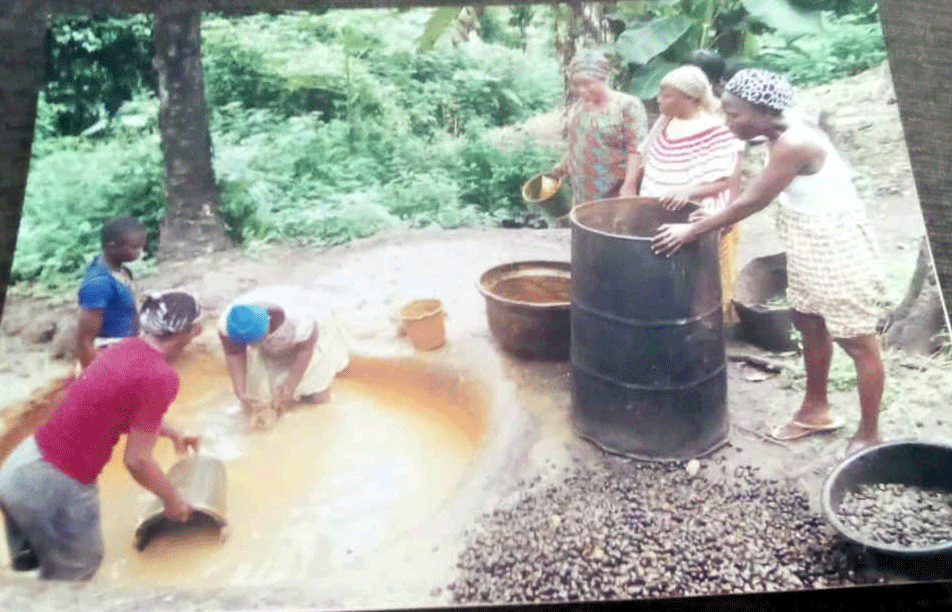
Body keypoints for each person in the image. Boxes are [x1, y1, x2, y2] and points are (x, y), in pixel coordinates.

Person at [651, 68, 886, 456]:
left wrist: (693, 230)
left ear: (764, 112)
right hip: (807, 240)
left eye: (735, 115)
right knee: (809, 322)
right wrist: (713, 217)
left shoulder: (795, 142)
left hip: (837, 245)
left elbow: (754, 200)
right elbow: (760, 192)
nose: (728, 123)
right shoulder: (779, 127)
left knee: (858, 342)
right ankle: (816, 411)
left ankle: (870, 435)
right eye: (726, 112)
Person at [0, 291, 203, 580]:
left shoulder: (125, 347)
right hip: (55, 486)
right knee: (78, 573)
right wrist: (173, 502)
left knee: (30, 575)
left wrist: (171, 433)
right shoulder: (161, 376)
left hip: (18, 469)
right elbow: (137, 461)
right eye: (197, 326)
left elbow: (109, 409)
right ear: (190, 331)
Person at [637, 65, 746, 322]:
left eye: (667, 95)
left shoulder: (715, 131)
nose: (659, 100)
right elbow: (646, 159)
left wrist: (687, 190)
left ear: (689, 98)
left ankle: (698, 324)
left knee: (693, 278)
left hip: (693, 216)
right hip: (660, 210)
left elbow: (723, 181)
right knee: (661, 271)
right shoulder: (665, 123)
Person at [217, 285, 351, 430]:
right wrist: (241, 392)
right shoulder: (230, 324)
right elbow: (234, 354)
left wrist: (290, 387)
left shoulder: (300, 320)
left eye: (256, 341)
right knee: (259, 395)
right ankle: (275, 407)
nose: (252, 346)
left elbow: (306, 350)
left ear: (268, 326)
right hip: (268, 333)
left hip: (310, 337)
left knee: (316, 392)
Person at [550, 48, 649, 213]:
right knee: (585, 225)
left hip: (615, 191)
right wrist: (564, 164)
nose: (581, 90)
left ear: (603, 78)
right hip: (583, 191)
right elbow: (579, 141)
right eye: (576, 84)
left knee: (614, 226)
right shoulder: (579, 107)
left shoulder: (627, 106)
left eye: (587, 83)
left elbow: (637, 149)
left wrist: (629, 185)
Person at [75, 217, 148, 371]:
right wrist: (95, 376)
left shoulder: (121, 271)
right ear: (112, 245)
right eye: (135, 247)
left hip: (126, 348)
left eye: (141, 247)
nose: (140, 252)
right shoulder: (98, 284)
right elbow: (85, 340)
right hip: (108, 358)